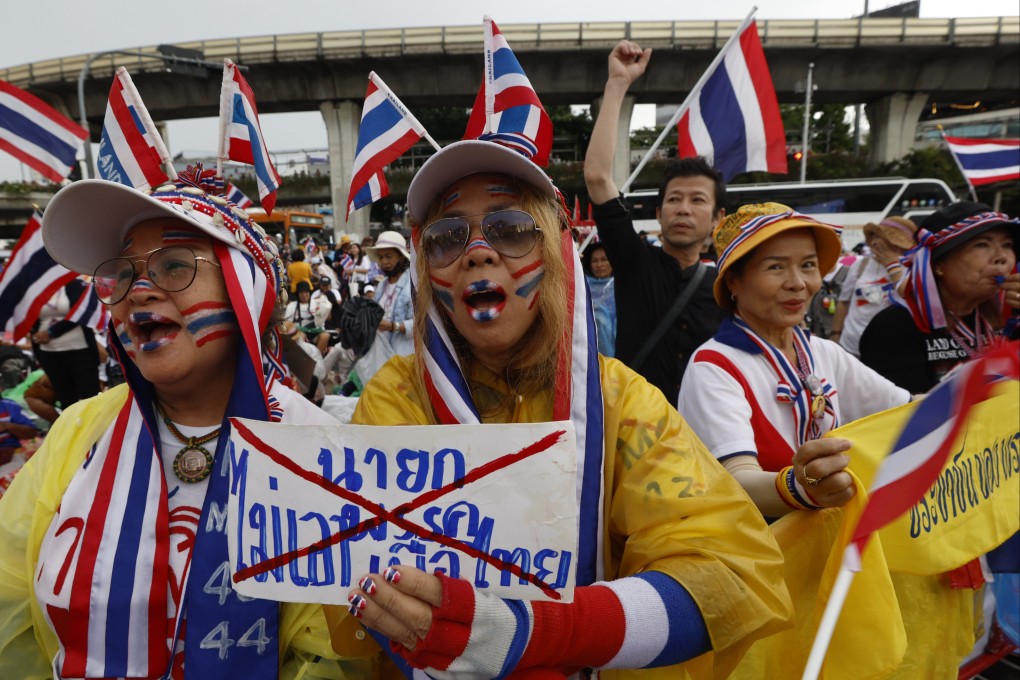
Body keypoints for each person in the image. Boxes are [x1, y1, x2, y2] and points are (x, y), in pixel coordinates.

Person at [326, 139, 792, 677]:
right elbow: (364, 583)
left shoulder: (620, 398)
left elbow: (732, 576)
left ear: (554, 253)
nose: (478, 251)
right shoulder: (397, 394)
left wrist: (539, 635)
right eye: (447, 236)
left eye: (511, 229)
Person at [0, 175, 349, 679]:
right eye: (122, 273)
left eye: (175, 267)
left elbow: (333, 654)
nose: (138, 291)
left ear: (244, 293)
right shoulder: (78, 431)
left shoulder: (318, 450)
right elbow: (10, 600)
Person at [678, 203, 910, 517]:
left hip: (828, 549)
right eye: (776, 267)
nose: (798, 283)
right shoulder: (714, 366)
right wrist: (801, 488)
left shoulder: (821, 351)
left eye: (808, 265)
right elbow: (736, 477)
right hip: (757, 555)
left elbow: (903, 409)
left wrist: (977, 395)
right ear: (733, 281)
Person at [585, 40, 727, 404]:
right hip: (635, 431)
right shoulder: (634, 262)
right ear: (659, 212)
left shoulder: (727, 288)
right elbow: (599, 178)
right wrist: (617, 82)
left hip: (706, 435)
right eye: (674, 200)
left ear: (717, 219)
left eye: (698, 201)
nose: (683, 209)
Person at [860, 201, 1018, 393]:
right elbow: (903, 415)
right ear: (938, 265)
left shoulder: (1009, 318)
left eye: (1007, 244)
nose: (1001, 257)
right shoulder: (894, 327)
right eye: (982, 245)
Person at [829, 217, 916, 356]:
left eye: (881, 237)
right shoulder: (860, 265)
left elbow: (908, 296)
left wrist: (891, 263)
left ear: (899, 245)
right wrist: (835, 335)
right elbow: (843, 302)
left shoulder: (911, 267)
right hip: (851, 349)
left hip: (890, 351)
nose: (874, 242)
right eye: (874, 236)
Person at [29, 278, 102, 409]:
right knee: (67, 401)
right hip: (49, 353)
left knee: (91, 398)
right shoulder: (36, 287)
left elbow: (81, 312)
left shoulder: (76, 285)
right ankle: (70, 429)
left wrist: (51, 332)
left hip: (79, 351)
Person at [365, 231, 414, 357]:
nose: (384, 262)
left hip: (402, 357)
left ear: (401, 257)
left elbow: (422, 326)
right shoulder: (382, 285)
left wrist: (393, 326)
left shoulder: (413, 285)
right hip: (379, 353)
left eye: (388, 256)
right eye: (380, 257)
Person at [582, 241, 617, 356]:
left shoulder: (621, 287)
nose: (599, 265)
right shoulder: (581, 285)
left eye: (604, 259)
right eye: (594, 261)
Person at [284, 280, 332, 355]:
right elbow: (287, 323)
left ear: (309, 293)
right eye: (301, 293)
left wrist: (326, 307)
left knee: (325, 335)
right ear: (297, 294)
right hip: (299, 332)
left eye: (306, 292)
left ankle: (316, 358)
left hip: (315, 332)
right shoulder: (291, 306)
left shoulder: (317, 303)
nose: (304, 295)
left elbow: (328, 318)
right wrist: (299, 330)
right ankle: (304, 359)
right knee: (300, 336)